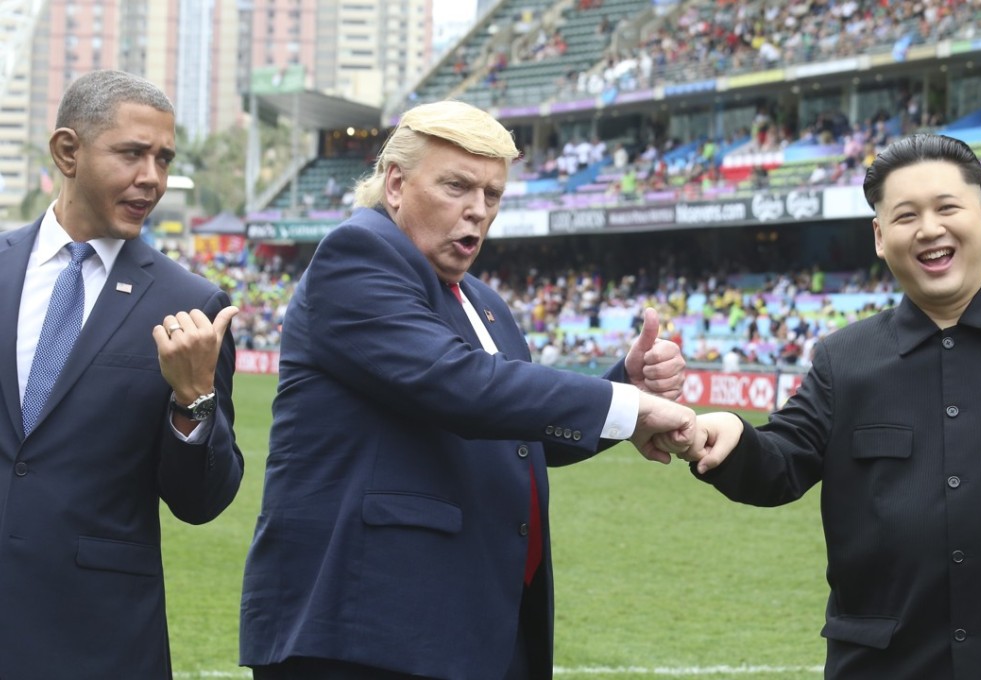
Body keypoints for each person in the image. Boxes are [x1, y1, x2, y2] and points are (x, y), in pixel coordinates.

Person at [239, 99, 700, 680]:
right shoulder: (355, 257)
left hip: (474, 626)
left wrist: (622, 386)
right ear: (397, 184)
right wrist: (629, 408)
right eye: (457, 186)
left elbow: (519, 436)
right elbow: (462, 387)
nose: (477, 212)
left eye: (492, 195)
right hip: (366, 633)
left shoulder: (483, 302)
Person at [670, 133, 981, 678]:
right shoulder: (844, 359)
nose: (929, 229)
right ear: (880, 237)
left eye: (947, 207)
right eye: (906, 216)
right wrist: (728, 438)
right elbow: (780, 462)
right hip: (885, 666)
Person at [0, 70, 243, 678]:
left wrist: (194, 399)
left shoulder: (193, 306)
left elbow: (201, 502)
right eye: (132, 154)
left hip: (98, 639)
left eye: (163, 159)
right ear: (67, 152)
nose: (152, 179)